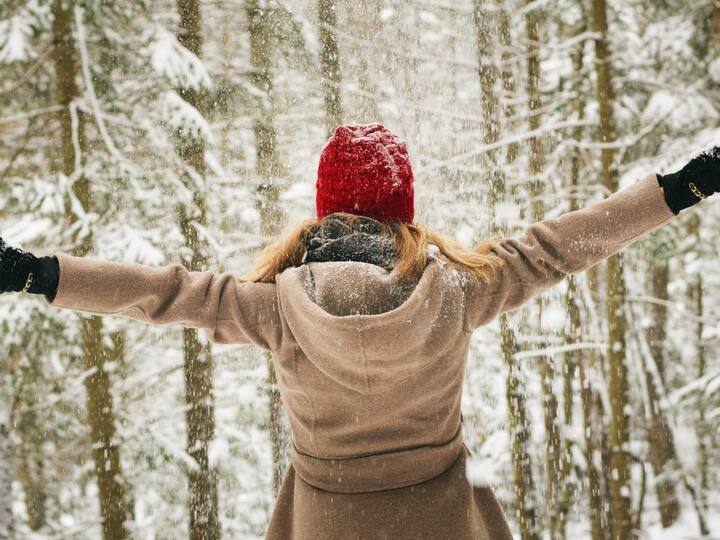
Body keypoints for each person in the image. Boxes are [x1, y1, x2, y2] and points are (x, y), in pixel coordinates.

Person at [0, 123, 717, 539]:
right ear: (403, 209)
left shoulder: (275, 306)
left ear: (321, 212)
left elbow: (162, 295)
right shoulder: (460, 290)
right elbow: (561, 245)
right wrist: (680, 188)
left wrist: (40, 273)